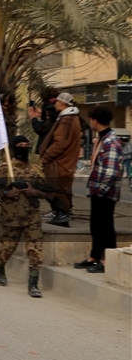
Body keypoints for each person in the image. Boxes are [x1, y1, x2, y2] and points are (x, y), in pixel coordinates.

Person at [0, 135, 50, 298]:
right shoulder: (3, 169)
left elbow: (47, 191)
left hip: (32, 218)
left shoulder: (35, 170)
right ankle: (0, 266)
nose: (23, 147)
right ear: (14, 148)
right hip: (11, 218)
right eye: (20, 145)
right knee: (8, 248)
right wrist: (6, 192)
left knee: (35, 250)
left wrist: (35, 192)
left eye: (26, 145)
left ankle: (33, 284)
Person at [77, 108, 121, 274]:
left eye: (91, 119)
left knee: (106, 226)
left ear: (95, 120)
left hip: (105, 192)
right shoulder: (101, 139)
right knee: (96, 225)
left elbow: (111, 171)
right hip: (97, 190)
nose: (90, 122)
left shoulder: (111, 141)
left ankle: (107, 261)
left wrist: (100, 190)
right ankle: (94, 257)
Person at [36, 91, 81, 226]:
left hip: (60, 163)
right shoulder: (69, 118)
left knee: (55, 189)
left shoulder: (67, 120)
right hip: (63, 162)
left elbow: (60, 143)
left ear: (61, 103)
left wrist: (46, 157)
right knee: (58, 189)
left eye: (56, 102)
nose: (55, 104)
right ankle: (60, 213)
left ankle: (62, 214)